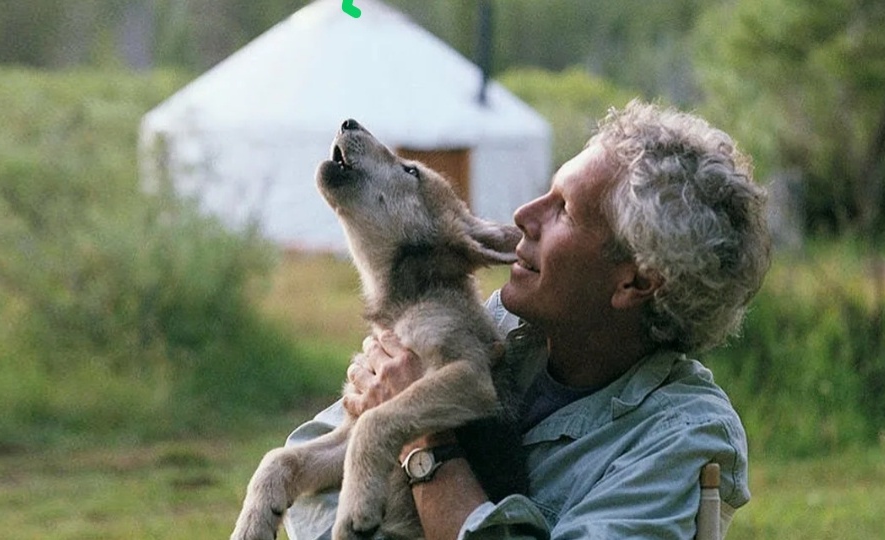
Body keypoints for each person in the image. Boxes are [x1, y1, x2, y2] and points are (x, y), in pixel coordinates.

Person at [282, 100, 771, 539]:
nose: (522, 215)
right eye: (544, 193)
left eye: (565, 211)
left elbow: (361, 466)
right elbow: (309, 479)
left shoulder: (680, 436)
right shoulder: (497, 327)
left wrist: (424, 441)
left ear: (635, 282)